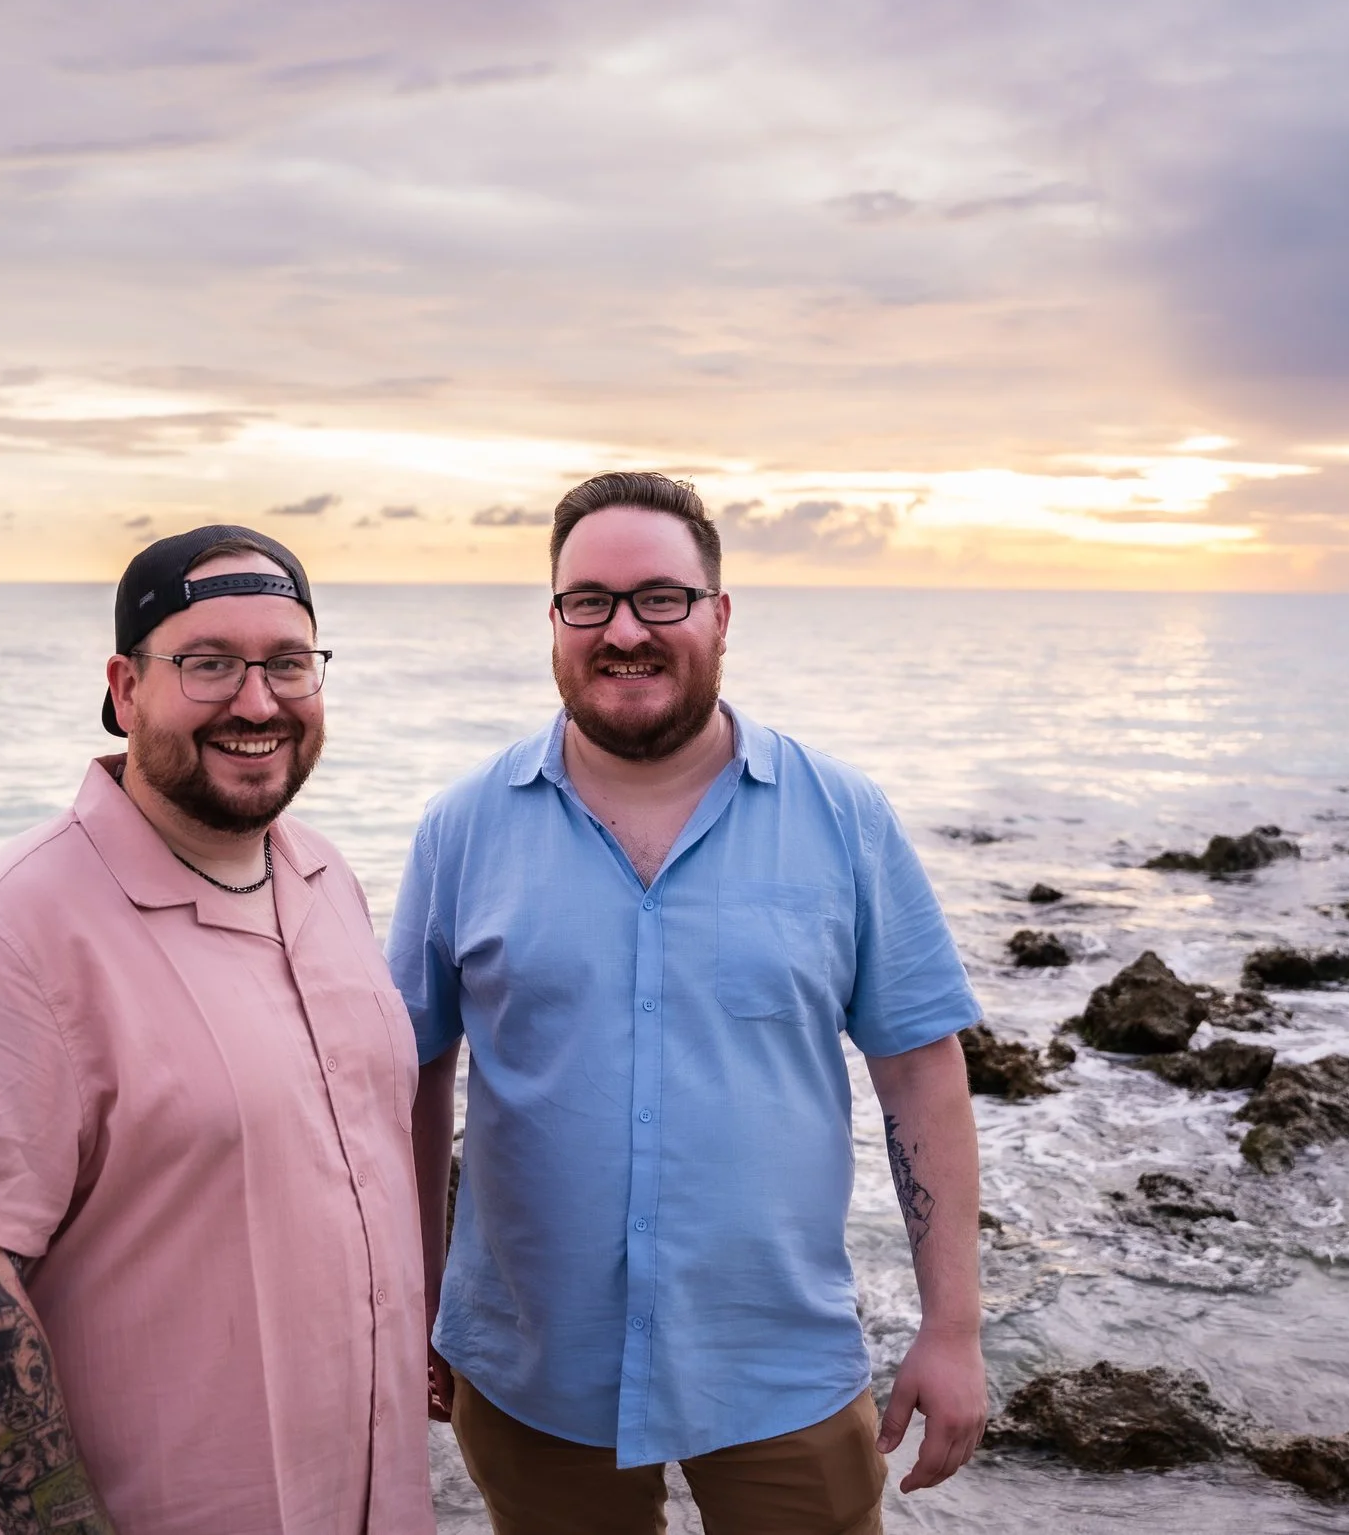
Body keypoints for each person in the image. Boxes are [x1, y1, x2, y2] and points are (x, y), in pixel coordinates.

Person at [390, 473, 986, 1535]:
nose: (624, 630)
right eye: (591, 601)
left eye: (660, 597)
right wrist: (415, 1301)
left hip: (778, 1361)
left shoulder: (840, 814)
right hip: (531, 1365)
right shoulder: (462, 826)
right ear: (555, 621)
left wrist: (953, 1327)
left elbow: (919, 1070)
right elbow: (413, 1076)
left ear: (719, 613)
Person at [0, 526, 434, 1535]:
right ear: (126, 688)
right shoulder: (19, 926)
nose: (256, 701)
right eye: (208, 663)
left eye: (287, 662)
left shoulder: (322, 875)